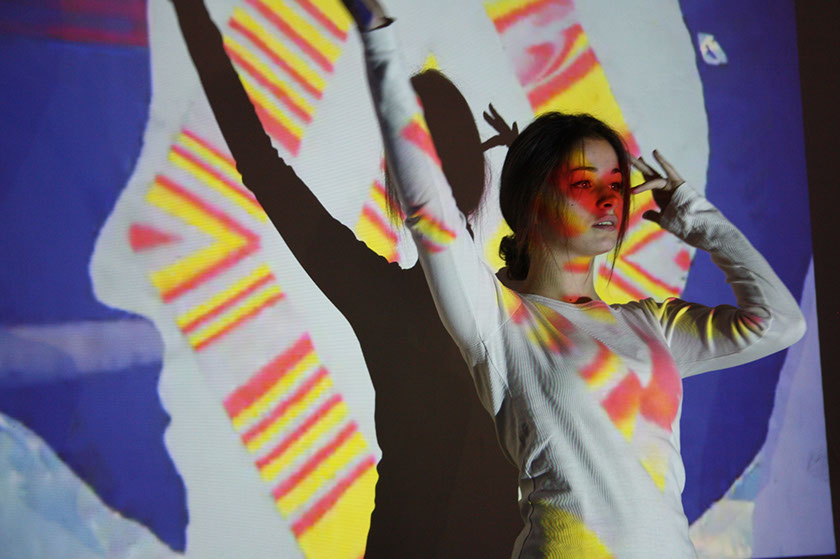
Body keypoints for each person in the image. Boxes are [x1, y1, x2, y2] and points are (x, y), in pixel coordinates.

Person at [343, 1, 807, 557]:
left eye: (617, 182)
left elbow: (780, 323)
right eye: (585, 183)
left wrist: (697, 217)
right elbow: (429, 212)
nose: (611, 198)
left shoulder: (650, 325)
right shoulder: (501, 321)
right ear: (533, 200)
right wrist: (379, 41)